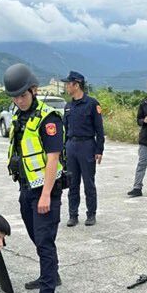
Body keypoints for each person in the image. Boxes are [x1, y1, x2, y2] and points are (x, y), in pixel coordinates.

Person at [3, 63, 65, 293]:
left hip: (45, 189)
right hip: (26, 188)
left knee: (44, 240)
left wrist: (46, 194)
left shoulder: (48, 118)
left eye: (23, 95)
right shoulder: (19, 116)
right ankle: (51, 275)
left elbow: (53, 158)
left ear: (34, 90)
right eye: (15, 97)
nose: (19, 100)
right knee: (35, 236)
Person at [62, 71, 105, 227]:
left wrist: (99, 150)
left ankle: (91, 214)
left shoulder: (92, 104)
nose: (66, 86)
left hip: (87, 146)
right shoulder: (68, 106)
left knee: (88, 183)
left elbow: (99, 130)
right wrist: (63, 150)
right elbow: (65, 130)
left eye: (68, 83)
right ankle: (73, 215)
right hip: (71, 146)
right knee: (72, 183)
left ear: (76, 85)